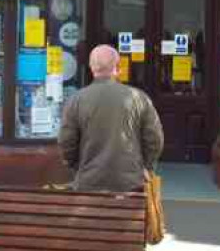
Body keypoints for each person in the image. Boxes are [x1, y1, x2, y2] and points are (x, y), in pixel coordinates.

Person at [58, 44, 164, 192]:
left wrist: (78, 167)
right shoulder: (139, 98)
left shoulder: (76, 100)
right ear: (118, 66)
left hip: (89, 183)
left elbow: (66, 143)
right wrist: (146, 167)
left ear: (91, 67)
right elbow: (155, 140)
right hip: (131, 184)